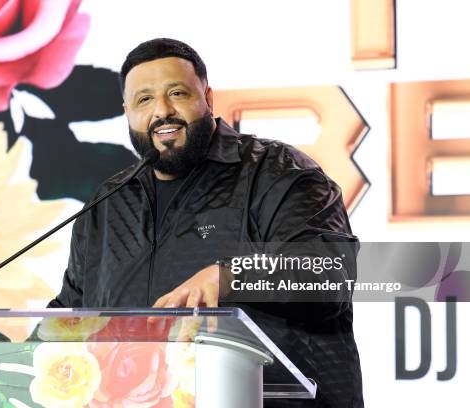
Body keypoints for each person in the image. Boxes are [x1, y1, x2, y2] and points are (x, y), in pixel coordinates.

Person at [48, 38, 363, 407]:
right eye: (144, 99)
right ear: (127, 112)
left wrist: (228, 277)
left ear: (208, 98)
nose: (162, 111)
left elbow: (331, 273)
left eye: (177, 93)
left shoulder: (277, 173)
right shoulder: (107, 204)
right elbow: (72, 316)